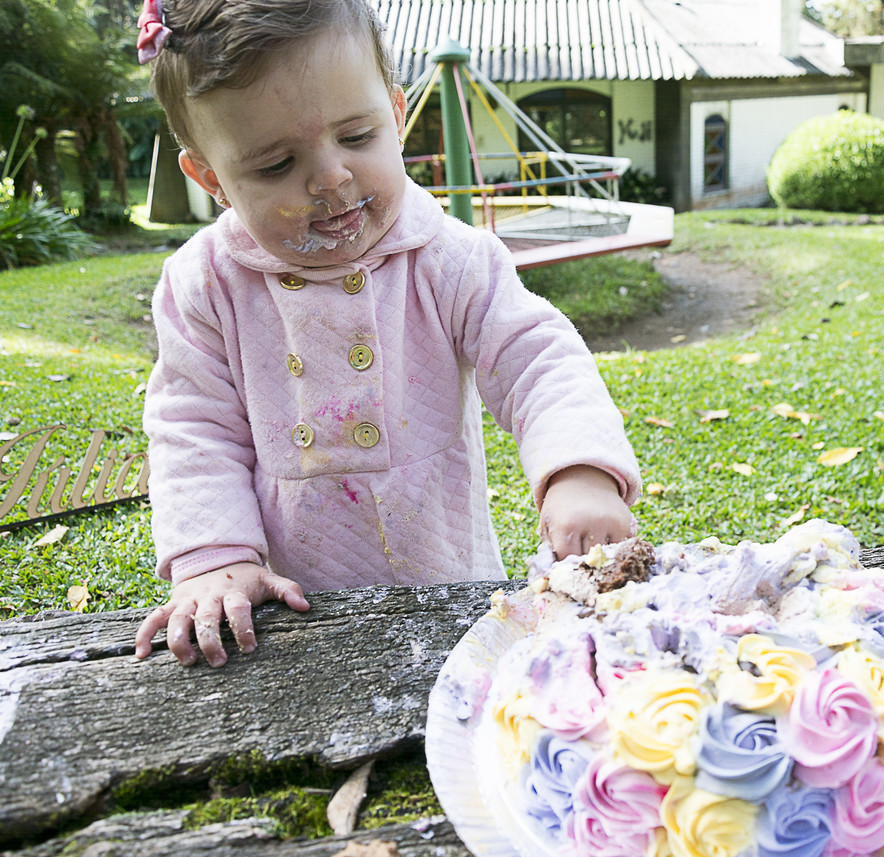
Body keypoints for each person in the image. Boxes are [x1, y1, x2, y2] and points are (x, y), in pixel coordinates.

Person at [131, 0, 640, 668]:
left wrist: (577, 467)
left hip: (448, 584)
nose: (330, 178)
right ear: (211, 178)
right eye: (276, 164)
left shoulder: (449, 259)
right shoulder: (205, 284)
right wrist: (213, 557)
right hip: (292, 618)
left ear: (397, 117)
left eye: (356, 137)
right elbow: (192, 423)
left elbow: (535, 357)